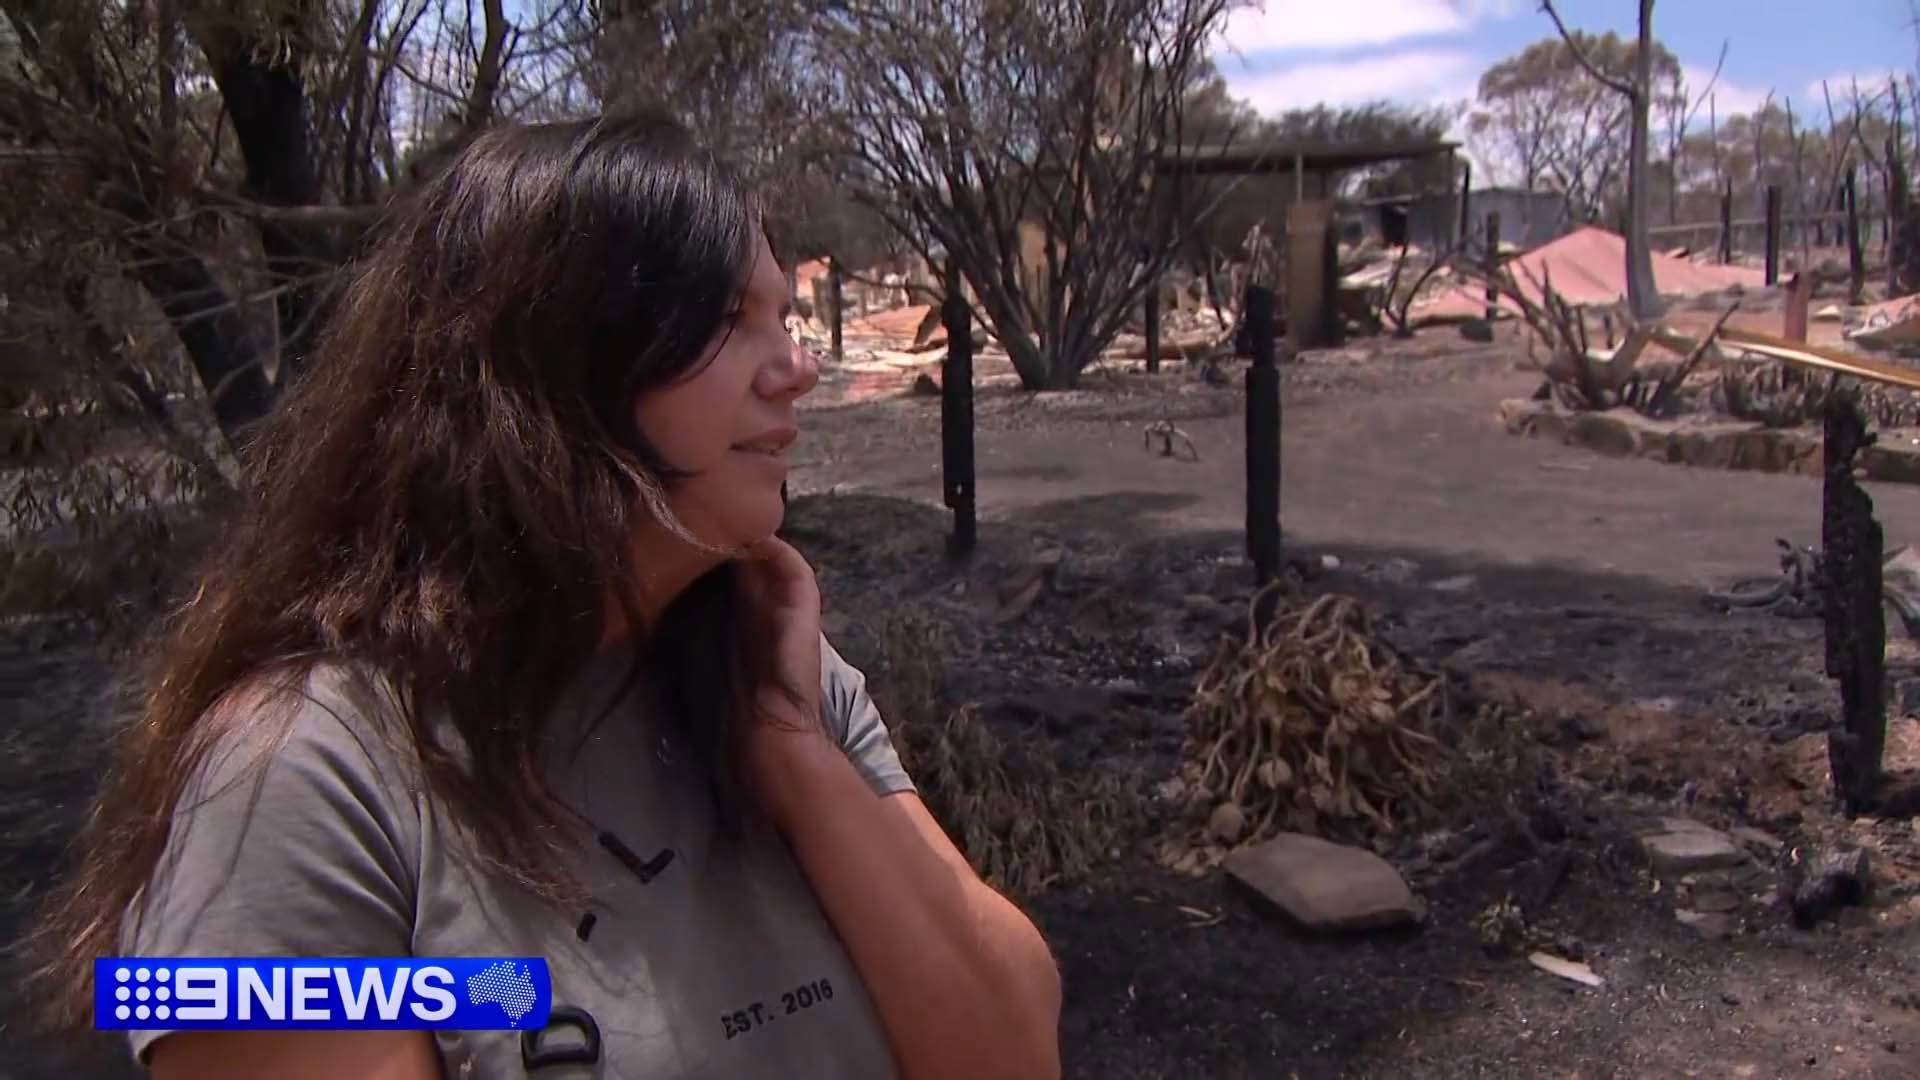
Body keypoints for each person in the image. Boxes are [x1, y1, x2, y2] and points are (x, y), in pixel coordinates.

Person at [28, 112, 1063, 1080]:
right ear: (549, 369)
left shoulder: (778, 665)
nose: (796, 367)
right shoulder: (304, 779)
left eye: (784, 318)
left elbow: (1013, 1047)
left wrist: (795, 750)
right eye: (723, 321)